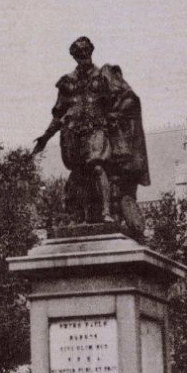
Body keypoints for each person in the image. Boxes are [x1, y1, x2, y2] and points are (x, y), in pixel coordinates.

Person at [33, 37, 150, 232]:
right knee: (78, 174)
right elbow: (59, 113)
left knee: (97, 165)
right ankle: (78, 215)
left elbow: (129, 98)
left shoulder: (104, 75)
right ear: (75, 57)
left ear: (91, 53)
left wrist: (115, 114)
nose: (83, 58)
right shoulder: (67, 82)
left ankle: (106, 212)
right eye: (79, 55)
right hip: (74, 135)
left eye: (86, 53)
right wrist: (45, 137)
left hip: (98, 129)